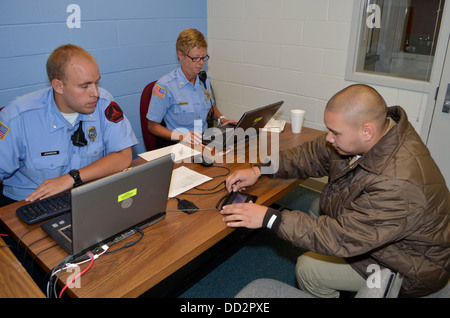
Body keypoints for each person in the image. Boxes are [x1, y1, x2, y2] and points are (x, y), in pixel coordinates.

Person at [222, 84, 450, 297]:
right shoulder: (378, 133)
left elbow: (340, 237)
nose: (328, 137)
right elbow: (311, 154)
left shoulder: (399, 184)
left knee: (308, 269)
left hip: (410, 266)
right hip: (386, 237)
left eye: (335, 132)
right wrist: (259, 169)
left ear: (367, 131)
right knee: (316, 207)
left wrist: (269, 218)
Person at [0, 44, 138, 206]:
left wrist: (72, 178)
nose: (95, 93)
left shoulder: (104, 103)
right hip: (31, 202)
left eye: (96, 83)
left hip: (88, 195)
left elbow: (123, 156)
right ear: (59, 86)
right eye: (84, 86)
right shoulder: (17, 117)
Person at [146, 28, 236, 147]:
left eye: (204, 57)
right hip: (179, 145)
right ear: (181, 55)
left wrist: (222, 119)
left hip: (204, 141)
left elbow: (209, 108)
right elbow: (152, 126)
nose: (201, 63)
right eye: (195, 58)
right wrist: (182, 136)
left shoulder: (204, 79)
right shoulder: (165, 86)